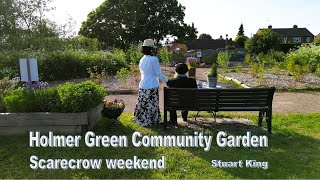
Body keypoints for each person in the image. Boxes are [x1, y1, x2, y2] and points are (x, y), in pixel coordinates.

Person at [134, 39, 168, 127]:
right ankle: (152, 120)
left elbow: (143, 73)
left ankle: (143, 119)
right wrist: (168, 81)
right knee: (152, 104)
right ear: (151, 49)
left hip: (143, 85)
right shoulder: (154, 59)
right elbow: (158, 73)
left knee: (143, 104)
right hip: (152, 85)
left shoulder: (142, 59)